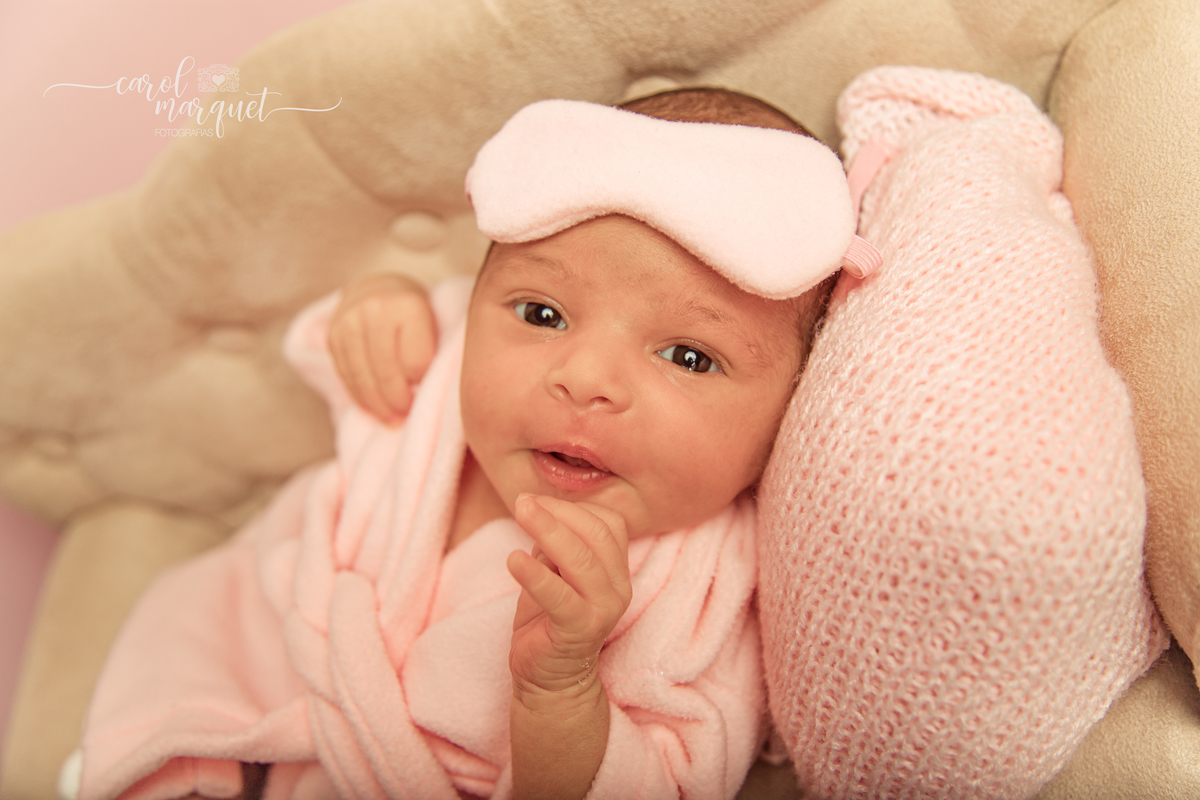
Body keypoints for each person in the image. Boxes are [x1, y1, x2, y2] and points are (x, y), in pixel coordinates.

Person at [71, 88, 878, 800]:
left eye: (689, 357)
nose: (584, 376)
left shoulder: (708, 582)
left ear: (789, 417)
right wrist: (377, 307)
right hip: (292, 708)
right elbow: (347, 354)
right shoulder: (449, 362)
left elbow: (675, 774)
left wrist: (562, 692)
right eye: (541, 314)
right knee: (201, 597)